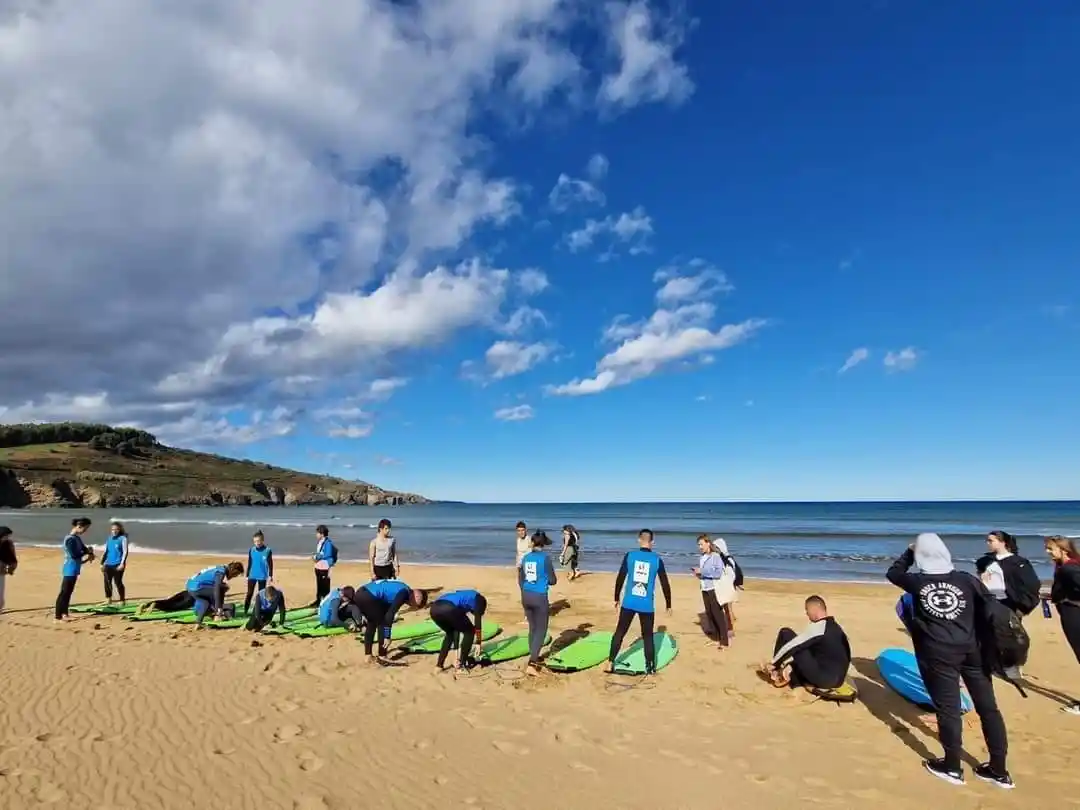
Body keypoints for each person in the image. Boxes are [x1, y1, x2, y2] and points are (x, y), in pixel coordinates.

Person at [887, 532, 1013, 789]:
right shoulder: (966, 580)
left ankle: (953, 766)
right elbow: (989, 608)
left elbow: (893, 573)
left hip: (939, 653)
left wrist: (910, 552)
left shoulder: (917, 582)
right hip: (973, 650)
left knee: (948, 709)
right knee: (989, 708)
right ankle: (999, 771)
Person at [606, 529, 672, 675]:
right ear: (652, 542)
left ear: (638, 540)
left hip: (629, 602)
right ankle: (650, 668)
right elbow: (665, 583)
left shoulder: (630, 556)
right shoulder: (656, 559)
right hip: (646, 605)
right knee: (648, 636)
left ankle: (610, 663)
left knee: (620, 632)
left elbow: (620, 577)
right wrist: (669, 604)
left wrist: (616, 598)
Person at [761, 595, 851, 690]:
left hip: (825, 679)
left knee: (786, 633)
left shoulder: (820, 626)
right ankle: (788, 670)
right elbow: (847, 654)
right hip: (838, 680)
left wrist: (774, 663)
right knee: (808, 647)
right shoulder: (836, 628)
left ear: (814, 609)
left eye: (807, 610)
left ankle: (775, 670)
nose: (807, 614)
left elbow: (793, 645)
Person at [137, 562, 245, 627]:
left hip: (190, 585)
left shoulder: (217, 567)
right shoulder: (221, 572)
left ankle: (153, 603)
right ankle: (217, 614)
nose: (233, 577)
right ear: (233, 570)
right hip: (197, 589)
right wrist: (219, 609)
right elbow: (217, 589)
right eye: (235, 575)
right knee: (176, 606)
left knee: (171, 601)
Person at [1045, 535, 1080, 715]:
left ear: (1063, 550)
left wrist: (1067, 599)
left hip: (1074, 615)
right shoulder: (1068, 566)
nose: (1047, 552)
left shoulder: (1069, 568)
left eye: (1051, 548)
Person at [355, 579, 428, 662]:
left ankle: (368, 656)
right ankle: (382, 655)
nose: (411, 605)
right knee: (382, 624)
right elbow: (390, 615)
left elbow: (388, 611)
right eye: (415, 604)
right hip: (370, 596)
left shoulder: (399, 589)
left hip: (360, 593)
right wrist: (387, 636)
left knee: (372, 623)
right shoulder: (405, 592)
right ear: (417, 596)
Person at [976, 530, 1042, 617]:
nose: (988, 543)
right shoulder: (985, 561)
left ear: (1002, 542)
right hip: (989, 600)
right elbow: (981, 575)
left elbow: (1031, 584)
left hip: (1009, 602)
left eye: (991, 541)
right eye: (987, 541)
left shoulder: (1018, 562)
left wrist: (1025, 607)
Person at [520, 530, 558, 673]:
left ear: (533, 543)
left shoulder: (526, 557)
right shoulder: (545, 558)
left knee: (532, 628)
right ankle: (532, 662)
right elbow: (553, 580)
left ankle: (533, 656)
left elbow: (521, 578)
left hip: (526, 595)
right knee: (541, 629)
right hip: (539, 596)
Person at [429, 589, 488, 672]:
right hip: (449, 607)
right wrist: (478, 642)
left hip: (434, 609)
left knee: (450, 634)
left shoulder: (464, 598)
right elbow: (477, 620)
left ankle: (439, 666)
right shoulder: (480, 599)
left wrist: (456, 654)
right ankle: (462, 666)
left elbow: (456, 630)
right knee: (470, 631)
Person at [692, 534, 729, 649]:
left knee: (717, 614)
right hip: (704, 588)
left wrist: (702, 572)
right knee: (710, 614)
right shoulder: (702, 557)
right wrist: (698, 574)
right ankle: (717, 639)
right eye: (698, 545)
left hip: (713, 589)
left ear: (708, 543)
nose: (700, 547)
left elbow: (718, 573)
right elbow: (705, 573)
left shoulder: (715, 556)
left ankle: (724, 642)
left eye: (701, 544)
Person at [56, 517, 95, 621]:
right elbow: (75, 554)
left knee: (69, 592)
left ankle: (65, 613)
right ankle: (58, 616)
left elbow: (83, 549)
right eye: (85, 529)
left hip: (75, 568)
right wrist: (86, 553)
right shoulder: (70, 539)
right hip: (69, 567)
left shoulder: (77, 538)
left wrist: (89, 552)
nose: (85, 531)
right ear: (79, 526)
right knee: (64, 592)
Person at [712, 537, 743, 636]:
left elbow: (734, 573)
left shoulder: (727, 559)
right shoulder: (722, 558)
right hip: (724, 585)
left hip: (728, 586)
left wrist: (735, 584)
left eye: (715, 547)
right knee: (727, 607)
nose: (713, 548)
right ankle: (732, 619)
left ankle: (730, 629)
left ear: (720, 548)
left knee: (727, 607)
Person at [245, 530, 274, 614]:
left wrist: (270, 575)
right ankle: (245, 611)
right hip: (252, 575)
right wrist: (247, 575)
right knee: (249, 594)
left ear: (262, 540)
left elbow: (270, 564)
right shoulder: (251, 550)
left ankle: (259, 611)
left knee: (261, 595)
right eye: (255, 541)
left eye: (258, 541)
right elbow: (250, 562)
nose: (257, 543)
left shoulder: (268, 550)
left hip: (262, 576)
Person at [100, 521, 130, 605]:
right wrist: (102, 563)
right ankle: (108, 599)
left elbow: (125, 552)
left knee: (118, 582)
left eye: (116, 529)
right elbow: (106, 551)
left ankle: (122, 600)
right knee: (107, 582)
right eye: (113, 529)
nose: (114, 531)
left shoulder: (123, 538)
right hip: (108, 564)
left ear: (119, 530)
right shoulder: (109, 538)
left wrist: (122, 563)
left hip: (118, 564)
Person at [309, 524, 337, 607]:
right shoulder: (321, 542)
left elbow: (328, 554)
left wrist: (317, 556)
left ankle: (325, 603)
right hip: (318, 567)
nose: (316, 535)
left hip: (324, 568)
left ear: (322, 534)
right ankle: (318, 601)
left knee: (325, 587)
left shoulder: (328, 543)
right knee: (319, 585)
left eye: (317, 533)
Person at [0, 526, 16, 615]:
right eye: (6, 536)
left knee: (0, 594)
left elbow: (13, 558)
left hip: (1, 571)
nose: (7, 538)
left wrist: (12, 568)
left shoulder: (8, 544)